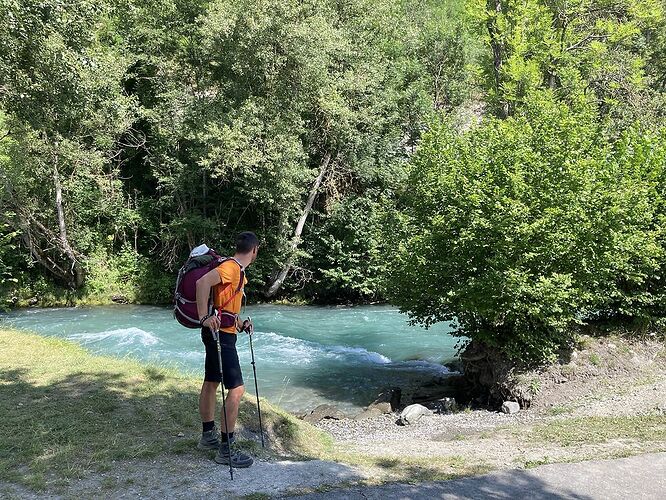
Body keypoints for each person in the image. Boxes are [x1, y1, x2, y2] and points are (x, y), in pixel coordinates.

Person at [195, 231, 259, 468]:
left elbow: (226, 307)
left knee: (211, 381)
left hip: (222, 331)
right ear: (254, 250)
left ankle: (208, 436)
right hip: (220, 335)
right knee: (237, 390)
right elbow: (202, 283)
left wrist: (242, 324)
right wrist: (203, 317)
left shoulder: (236, 272)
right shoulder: (231, 268)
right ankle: (226, 449)